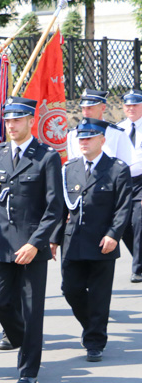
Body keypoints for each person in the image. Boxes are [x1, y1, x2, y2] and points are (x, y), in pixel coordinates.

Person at [0, 96, 63, 383]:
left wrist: (37, 243)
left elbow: (54, 209)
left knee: (31, 309)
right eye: (8, 121)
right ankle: (25, 340)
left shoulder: (46, 157)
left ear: (30, 121)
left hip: (30, 247)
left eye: (17, 120)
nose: (11, 125)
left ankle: (28, 370)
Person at [51, 118, 132, 362]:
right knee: (70, 289)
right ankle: (92, 325)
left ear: (102, 140)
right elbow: (61, 208)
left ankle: (95, 341)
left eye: (89, 138)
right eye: (81, 138)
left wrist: (113, 235)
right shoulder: (69, 168)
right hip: (73, 241)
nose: (83, 142)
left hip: (102, 242)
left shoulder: (117, 168)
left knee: (99, 294)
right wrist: (54, 239)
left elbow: (123, 207)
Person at [65, 89, 134, 164]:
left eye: (90, 108)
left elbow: (127, 166)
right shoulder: (73, 134)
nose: (85, 112)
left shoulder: (117, 134)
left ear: (103, 108)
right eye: (83, 108)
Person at [116, 89, 142, 282]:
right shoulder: (118, 130)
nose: (131, 108)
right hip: (124, 182)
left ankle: (138, 269)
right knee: (123, 224)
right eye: (128, 105)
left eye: (135, 104)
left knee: (139, 220)